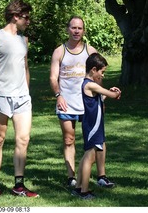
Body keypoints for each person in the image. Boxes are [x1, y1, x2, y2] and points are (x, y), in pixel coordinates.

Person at [0, 0, 38, 197]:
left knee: (23, 139)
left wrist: (27, 92)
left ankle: (19, 185)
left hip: (22, 98)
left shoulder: (24, 39)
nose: (28, 21)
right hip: (0, 97)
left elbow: (26, 67)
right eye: (26, 17)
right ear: (15, 16)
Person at [49, 15, 115, 188]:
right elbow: (53, 77)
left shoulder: (90, 51)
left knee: (98, 139)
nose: (76, 31)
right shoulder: (59, 51)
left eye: (79, 28)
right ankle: (71, 177)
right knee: (69, 139)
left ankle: (101, 175)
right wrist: (58, 95)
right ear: (67, 29)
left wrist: (101, 98)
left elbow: (98, 75)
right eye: (73, 27)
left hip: (88, 103)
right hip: (66, 103)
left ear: (83, 31)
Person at [72, 53, 121, 199]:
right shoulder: (90, 84)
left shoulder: (90, 85)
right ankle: (84, 191)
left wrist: (109, 93)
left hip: (95, 124)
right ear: (93, 69)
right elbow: (111, 96)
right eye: (102, 72)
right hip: (93, 125)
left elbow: (101, 98)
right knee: (89, 157)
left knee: (87, 156)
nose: (103, 75)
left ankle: (79, 187)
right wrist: (116, 92)